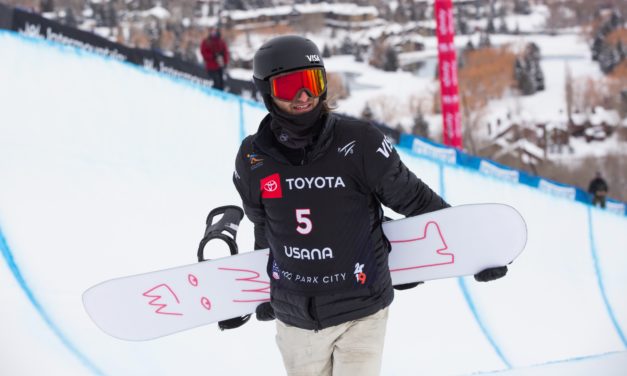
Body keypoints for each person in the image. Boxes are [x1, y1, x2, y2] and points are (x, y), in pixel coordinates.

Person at [232, 35, 507, 376]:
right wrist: (257, 294)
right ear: (267, 92)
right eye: (290, 87)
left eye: (312, 83)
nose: (304, 97)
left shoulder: (359, 142)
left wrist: (474, 251)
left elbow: (417, 201)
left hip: (362, 309)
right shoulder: (253, 158)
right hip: (296, 318)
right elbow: (264, 228)